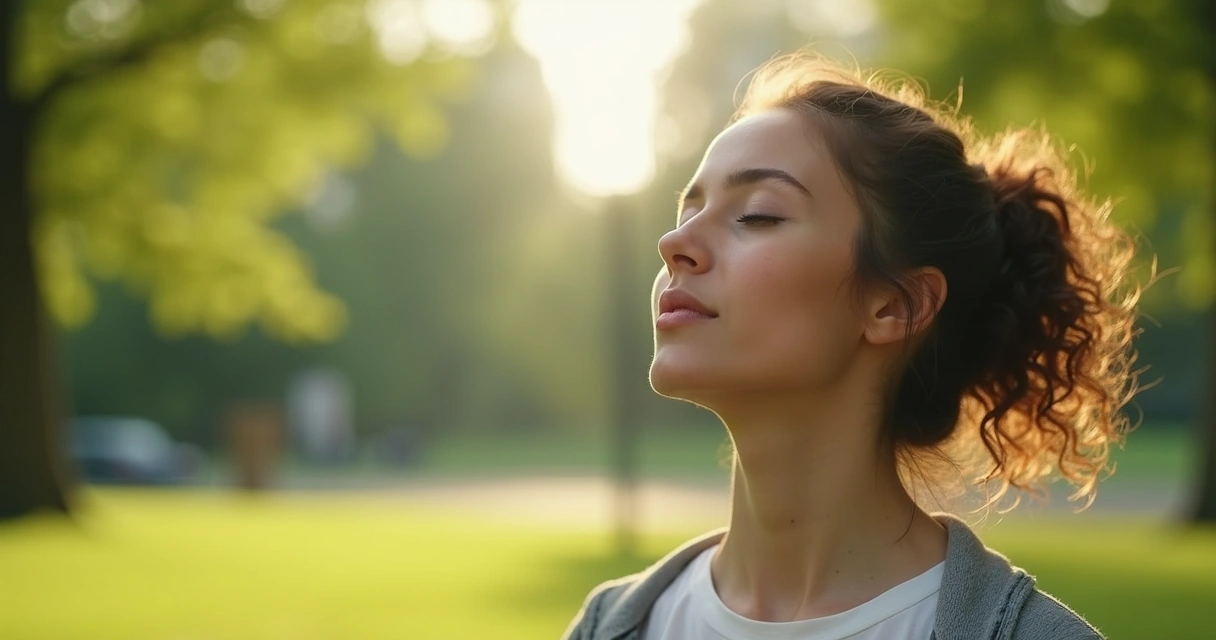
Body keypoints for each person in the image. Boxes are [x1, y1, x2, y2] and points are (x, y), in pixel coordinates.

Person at [563, 53, 1140, 640]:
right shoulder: (612, 626)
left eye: (757, 215)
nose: (674, 242)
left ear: (896, 305)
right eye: (688, 210)